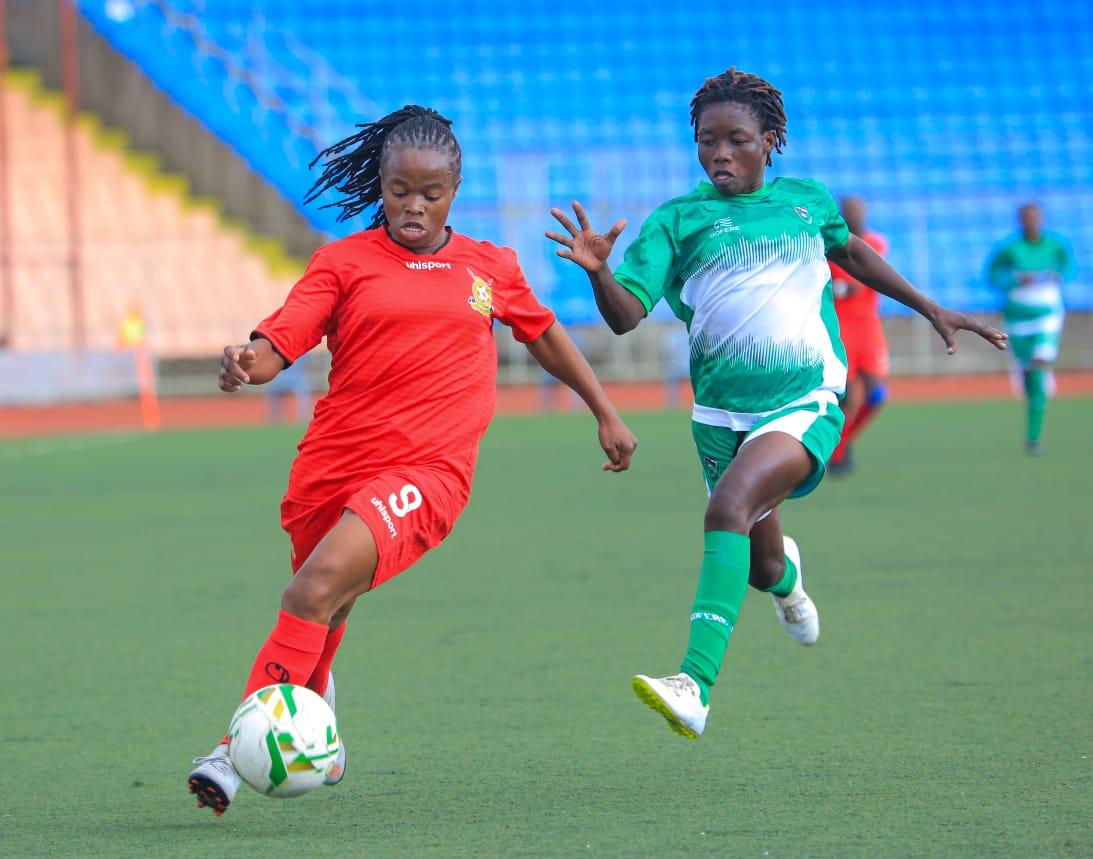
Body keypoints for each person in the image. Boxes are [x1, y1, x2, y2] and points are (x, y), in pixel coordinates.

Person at [188, 105, 638, 814]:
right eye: (400, 190)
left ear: (454, 191)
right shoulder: (342, 262)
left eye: (431, 193)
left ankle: (231, 751)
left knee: (311, 592)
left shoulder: (489, 267)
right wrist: (249, 361)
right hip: (331, 467)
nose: (413, 206)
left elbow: (543, 335)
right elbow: (282, 341)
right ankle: (316, 704)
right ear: (381, 184)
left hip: (428, 473)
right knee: (326, 601)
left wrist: (603, 410)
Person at [547, 67, 1006, 739]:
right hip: (718, 418)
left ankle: (693, 685)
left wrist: (932, 306)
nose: (719, 154)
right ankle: (786, 575)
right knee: (757, 563)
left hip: (805, 398)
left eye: (735, 140)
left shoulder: (805, 201)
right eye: (707, 141)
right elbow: (623, 317)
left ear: (769, 142)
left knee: (725, 508)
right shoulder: (676, 221)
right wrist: (597, 273)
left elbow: (851, 255)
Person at [987, 203, 1075, 454]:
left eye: (1034, 217)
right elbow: (992, 276)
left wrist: (1057, 274)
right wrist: (1014, 278)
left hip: (1047, 314)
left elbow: (1069, 268)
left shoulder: (1056, 244)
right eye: (1025, 217)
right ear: (1020, 220)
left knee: (1039, 364)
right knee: (1027, 373)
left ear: (1041, 218)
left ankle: (1033, 436)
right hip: (1017, 317)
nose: (1030, 221)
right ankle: (1034, 408)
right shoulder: (1009, 248)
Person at [827, 196, 889, 474]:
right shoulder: (828, 247)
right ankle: (837, 456)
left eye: (858, 210)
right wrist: (842, 289)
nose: (855, 215)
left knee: (877, 394)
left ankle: (841, 444)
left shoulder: (876, 243)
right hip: (841, 327)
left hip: (869, 326)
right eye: (849, 211)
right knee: (848, 398)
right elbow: (822, 286)